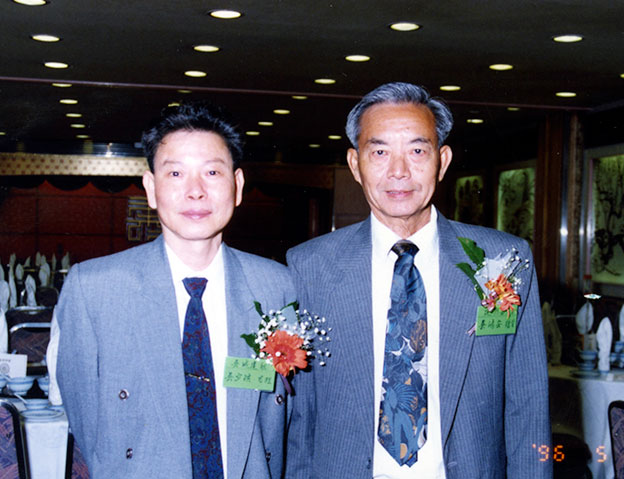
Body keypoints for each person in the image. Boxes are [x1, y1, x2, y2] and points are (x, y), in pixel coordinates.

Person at [285, 82, 551, 478]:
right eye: (379, 152)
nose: (399, 171)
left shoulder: (503, 260)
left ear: (441, 161)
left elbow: (528, 405)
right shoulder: (309, 266)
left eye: (416, 150)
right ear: (355, 164)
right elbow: (301, 416)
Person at [55, 102, 295, 478]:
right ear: (151, 188)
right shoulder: (95, 290)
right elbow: (88, 425)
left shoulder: (276, 285)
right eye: (176, 173)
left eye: (212, 172)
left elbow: (279, 421)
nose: (195, 191)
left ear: (238, 186)